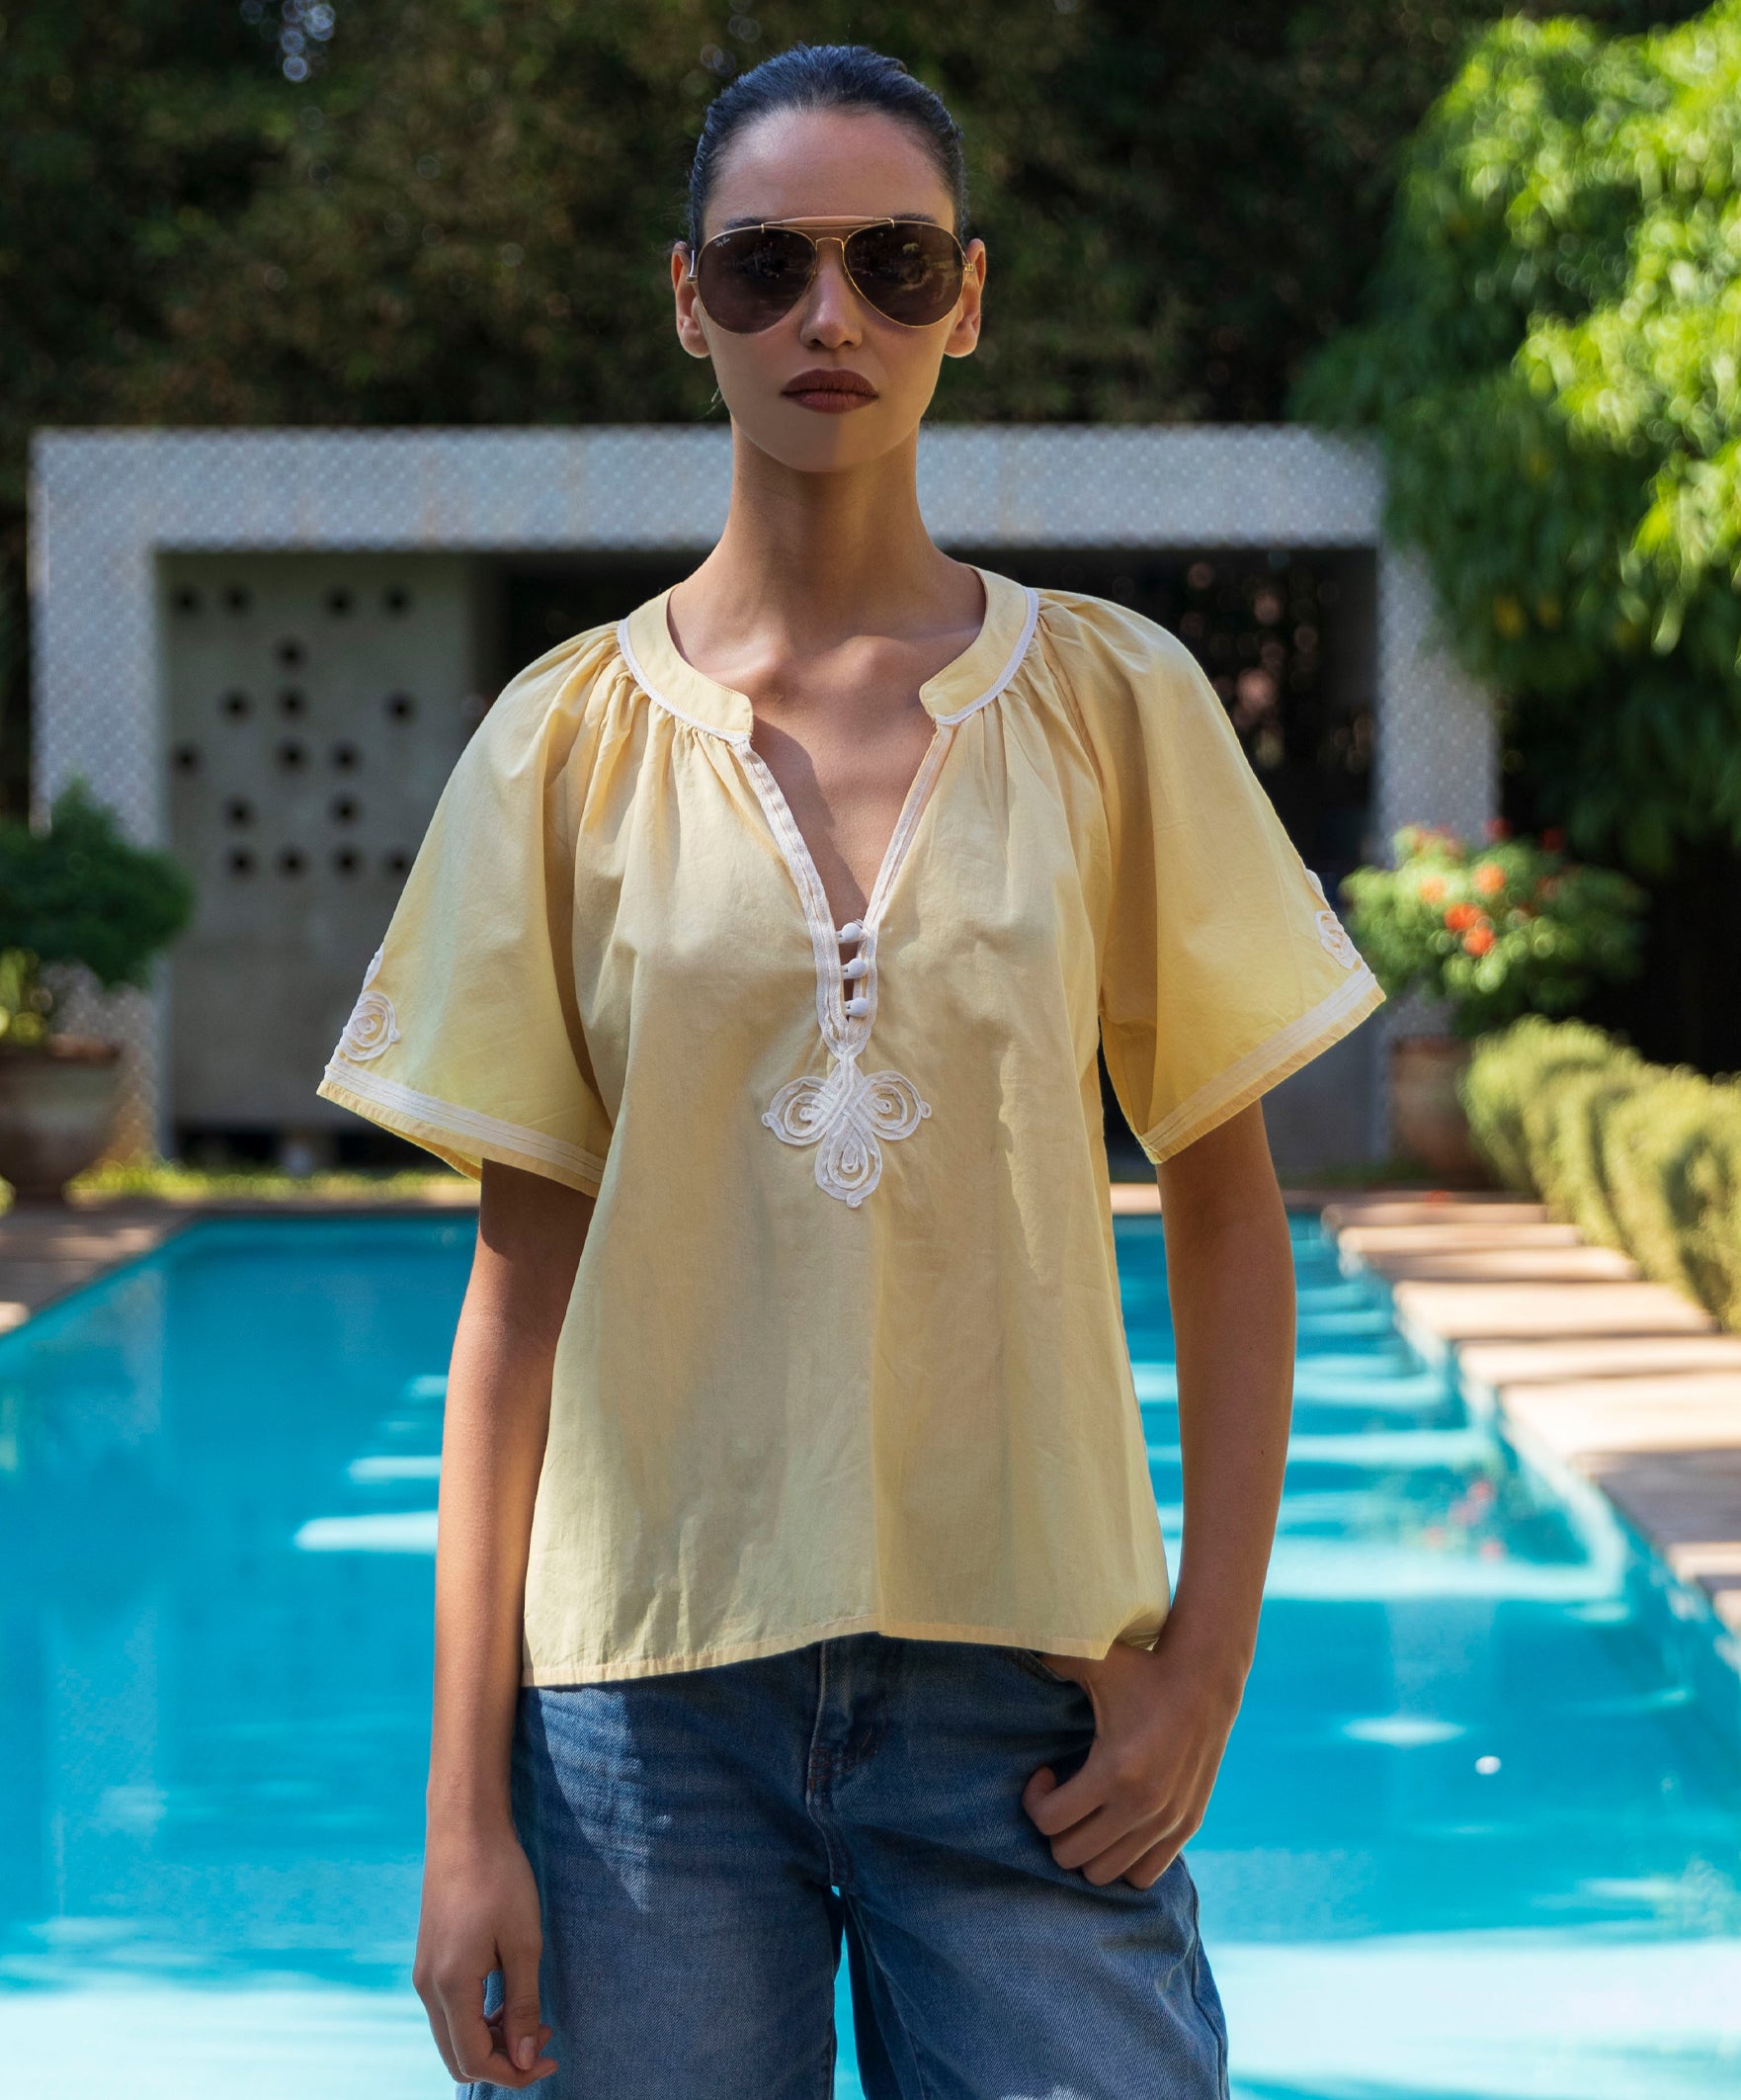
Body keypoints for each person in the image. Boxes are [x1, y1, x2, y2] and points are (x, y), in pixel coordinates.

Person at [316, 40, 1386, 2100]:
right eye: (765, 268)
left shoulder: (1111, 707)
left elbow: (1231, 1220)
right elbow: (511, 1301)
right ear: (685, 300)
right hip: (642, 1726)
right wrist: (462, 1822)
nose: (831, 318)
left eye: (891, 264)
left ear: (966, 300)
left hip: (1038, 1709)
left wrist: (1204, 1675)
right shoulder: (561, 743)